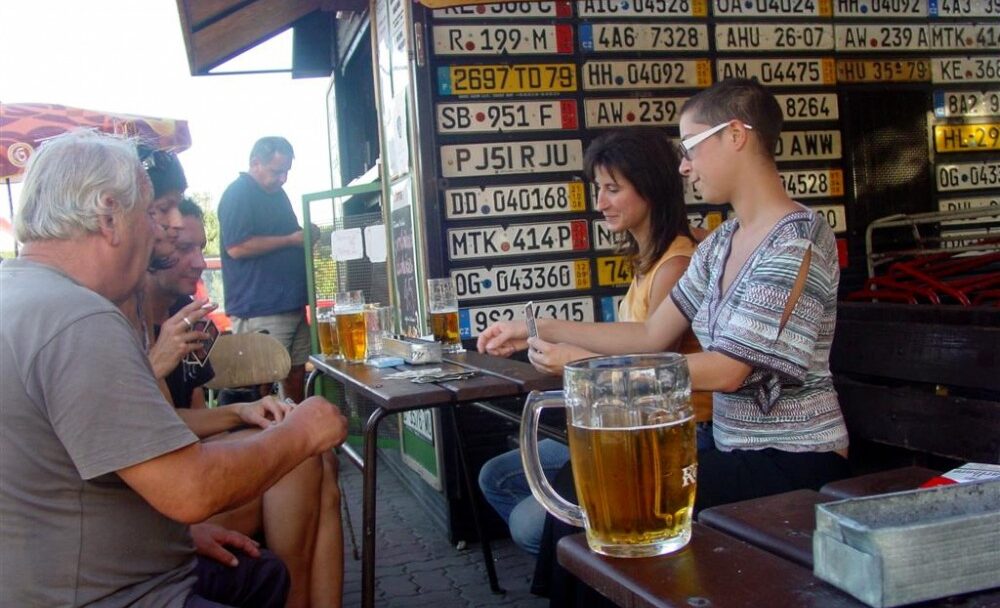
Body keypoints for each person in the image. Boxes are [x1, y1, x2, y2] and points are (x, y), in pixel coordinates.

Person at [479, 79, 850, 605]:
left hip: (795, 460)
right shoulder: (721, 242)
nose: (684, 166)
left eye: (691, 147)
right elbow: (653, 333)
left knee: (593, 495)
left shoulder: (799, 237)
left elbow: (728, 371)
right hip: (734, 451)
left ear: (737, 136)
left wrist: (589, 366)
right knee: (579, 487)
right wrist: (540, 326)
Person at [0, 131, 348, 607]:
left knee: (263, 575)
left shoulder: (20, 296)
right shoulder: (81, 318)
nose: (158, 236)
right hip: (118, 593)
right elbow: (191, 489)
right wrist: (302, 431)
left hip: (64, 579)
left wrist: (183, 534)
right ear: (107, 216)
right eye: (150, 214)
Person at [477, 127, 703, 556]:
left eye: (613, 189)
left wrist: (565, 350)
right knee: (494, 476)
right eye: (599, 189)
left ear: (651, 187)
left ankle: (604, 564)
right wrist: (533, 337)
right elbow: (630, 346)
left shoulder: (677, 263)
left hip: (664, 441)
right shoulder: (649, 260)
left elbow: (652, 366)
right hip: (620, 429)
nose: (600, 203)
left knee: (529, 523)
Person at [147, 197, 345, 608]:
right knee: (300, 460)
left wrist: (242, 412)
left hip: (182, 472)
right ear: (151, 248)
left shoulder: (186, 314)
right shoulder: (126, 321)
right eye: (184, 249)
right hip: (155, 503)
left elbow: (190, 416)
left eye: (201, 248)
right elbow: (160, 430)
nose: (200, 262)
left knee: (319, 462)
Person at [218, 136, 316, 402]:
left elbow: (291, 233)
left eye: (286, 172)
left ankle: (295, 434)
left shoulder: (278, 195)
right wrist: (290, 239)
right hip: (260, 307)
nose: (283, 178)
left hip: (292, 304)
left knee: (297, 372)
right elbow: (236, 247)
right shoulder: (239, 193)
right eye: (276, 171)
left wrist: (306, 235)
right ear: (255, 163)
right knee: (260, 380)